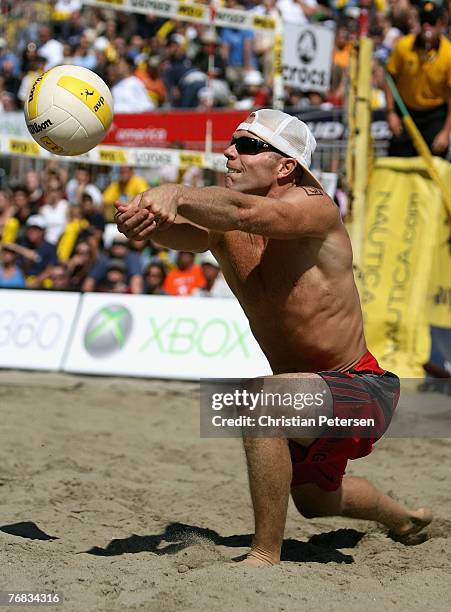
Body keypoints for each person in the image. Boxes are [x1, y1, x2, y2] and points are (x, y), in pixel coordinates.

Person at [114, 108, 432, 567]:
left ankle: (265, 556)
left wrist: (176, 193)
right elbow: (185, 234)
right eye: (232, 143)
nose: (229, 153)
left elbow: (247, 213)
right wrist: (143, 224)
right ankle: (403, 519)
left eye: (247, 146)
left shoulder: (315, 208)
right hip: (306, 391)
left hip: (362, 387)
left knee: (258, 403)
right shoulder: (226, 219)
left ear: (285, 166)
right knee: (316, 501)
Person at [384, 0, 451, 158]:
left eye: (432, 22)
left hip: (435, 115)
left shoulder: (448, 54)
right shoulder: (403, 46)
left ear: (441, 24)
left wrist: (445, 132)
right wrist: (391, 112)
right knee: (398, 159)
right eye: (424, 21)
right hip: (406, 112)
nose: (427, 26)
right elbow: (389, 78)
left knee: (434, 162)